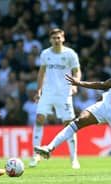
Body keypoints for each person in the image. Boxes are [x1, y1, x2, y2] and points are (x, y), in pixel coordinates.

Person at [34, 8, 111, 161]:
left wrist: (79, 83)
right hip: (105, 104)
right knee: (79, 121)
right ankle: (49, 148)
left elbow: (104, 85)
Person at [29, 28, 82, 169]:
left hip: (65, 93)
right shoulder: (45, 54)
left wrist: (75, 84)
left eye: (59, 38)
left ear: (63, 38)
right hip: (48, 92)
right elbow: (41, 73)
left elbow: (77, 71)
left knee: (68, 124)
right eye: (54, 38)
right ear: (50, 40)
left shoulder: (70, 54)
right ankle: (35, 156)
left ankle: (73, 159)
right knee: (39, 118)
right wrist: (39, 90)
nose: (56, 40)